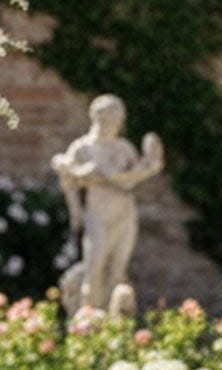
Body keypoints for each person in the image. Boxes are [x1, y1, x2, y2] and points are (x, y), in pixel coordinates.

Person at [52, 94, 162, 315]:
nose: (112, 122)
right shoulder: (82, 148)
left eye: (116, 117)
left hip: (124, 210)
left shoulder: (123, 148)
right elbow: (69, 180)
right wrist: (75, 211)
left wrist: (152, 165)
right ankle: (87, 318)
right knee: (95, 262)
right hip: (97, 210)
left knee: (118, 267)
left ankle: (115, 321)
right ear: (96, 117)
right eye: (107, 116)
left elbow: (133, 175)